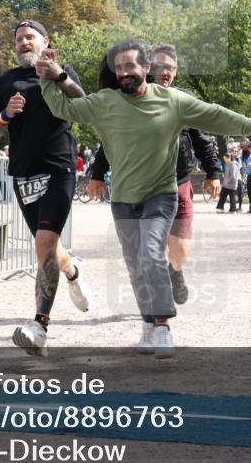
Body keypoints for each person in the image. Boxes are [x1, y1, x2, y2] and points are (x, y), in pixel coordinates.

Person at [38, 39, 251, 358]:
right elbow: (63, 107)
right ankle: (148, 324)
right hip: (124, 199)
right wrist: (47, 76)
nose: (125, 72)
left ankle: (163, 325)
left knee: (151, 255)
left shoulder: (172, 101)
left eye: (131, 66)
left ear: (146, 68)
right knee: (135, 267)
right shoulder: (105, 101)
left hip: (161, 194)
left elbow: (215, 115)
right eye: (119, 67)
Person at [0, 19, 91, 357]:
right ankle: (72, 269)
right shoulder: (4, 82)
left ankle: (39, 326)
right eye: (19, 39)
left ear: (45, 41)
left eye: (31, 37)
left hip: (59, 169)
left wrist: (57, 74)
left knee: (43, 245)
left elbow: (83, 103)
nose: (24, 43)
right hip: (23, 174)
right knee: (48, 248)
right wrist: (4, 116)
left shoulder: (62, 71)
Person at [88, 44, 222, 304]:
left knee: (180, 248)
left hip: (179, 181)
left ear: (176, 71)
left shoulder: (184, 100)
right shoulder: (131, 100)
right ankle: (154, 302)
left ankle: (176, 271)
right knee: (149, 248)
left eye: (170, 68)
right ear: (149, 69)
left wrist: (213, 172)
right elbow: (111, 141)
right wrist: (97, 173)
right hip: (145, 185)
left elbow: (203, 138)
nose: (165, 73)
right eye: (159, 67)